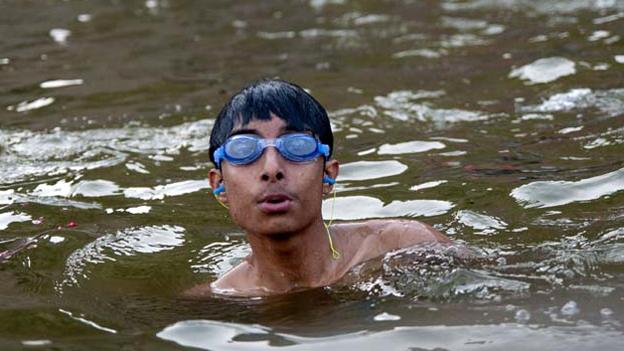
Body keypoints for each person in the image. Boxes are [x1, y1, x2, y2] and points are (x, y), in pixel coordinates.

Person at [185, 79, 450, 297]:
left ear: (327, 176)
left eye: (297, 147)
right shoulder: (218, 298)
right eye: (244, 150)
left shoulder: (406, 246)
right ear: (220, 185)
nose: (271, 168)